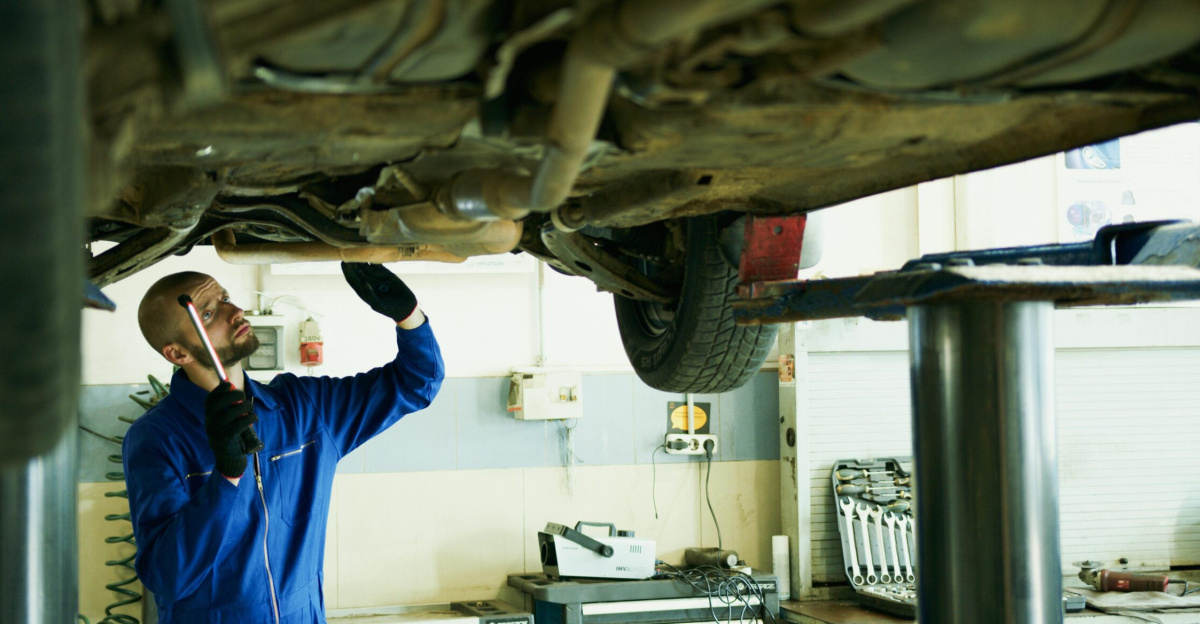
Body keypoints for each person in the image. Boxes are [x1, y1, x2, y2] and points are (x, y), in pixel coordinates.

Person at [123, 262, 444, 624]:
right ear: (178, 353)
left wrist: (408, 315)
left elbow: (418, 382)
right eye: (210, 312)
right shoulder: (157, 438)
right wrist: (226, 476)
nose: (235, 312)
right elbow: (168, 578)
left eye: (225, 298)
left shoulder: (305, 408)